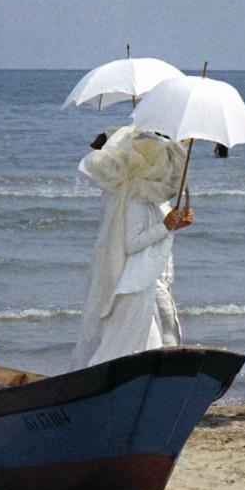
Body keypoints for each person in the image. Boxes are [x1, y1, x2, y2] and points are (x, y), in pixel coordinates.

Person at [69, 127, 193, 369]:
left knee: (167, 330)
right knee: (153, 336)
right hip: (141, 282)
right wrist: (166, 226)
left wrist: (178, 222)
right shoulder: (136, 200)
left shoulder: (157, 200)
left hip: (156, 277)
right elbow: (132, 243)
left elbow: (161, 232)